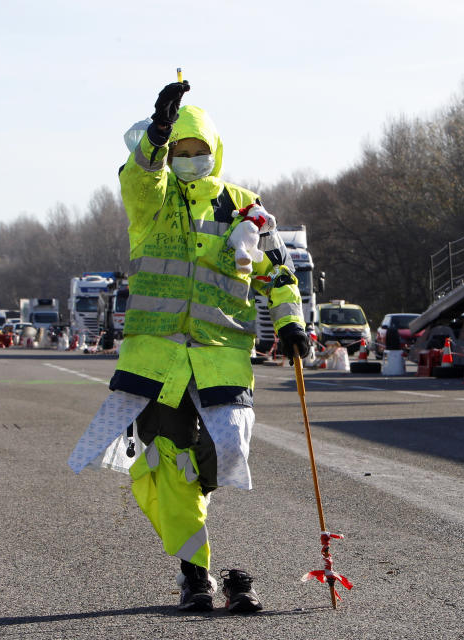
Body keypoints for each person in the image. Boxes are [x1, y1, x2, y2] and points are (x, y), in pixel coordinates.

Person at [68, 80, 310, 614]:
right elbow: (138, 176)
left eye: (200, 149)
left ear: (215, 150)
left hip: (222, 360)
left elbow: (281, 274)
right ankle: (196, 575)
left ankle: (194, 555)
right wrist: (155, 134)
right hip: (156, 363)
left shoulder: (247, 208)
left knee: (224, 457)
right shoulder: (152, 204)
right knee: (169, 459)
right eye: (182, 149)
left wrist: (292, 324)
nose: (192, 158)